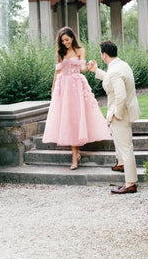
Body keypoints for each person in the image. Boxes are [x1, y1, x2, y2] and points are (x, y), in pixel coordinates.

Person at [42, 27, 111, 170]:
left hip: (76, 87)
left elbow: (83, 68)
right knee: (67, 118)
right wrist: (53, 87)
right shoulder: (60, 52)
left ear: (72, 38)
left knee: (76, 117)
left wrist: (90, 66)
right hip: (63, 87)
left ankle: (75, 155)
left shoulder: (80, 50)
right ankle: (75, 155)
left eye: (67, 39)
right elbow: (57, 71)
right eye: (62, 41)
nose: (65, 43)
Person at [87, 40, 140, 194]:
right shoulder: (121, 65)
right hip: (126, 111)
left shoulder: (115, 71)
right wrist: (96, 70)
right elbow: (111, 79)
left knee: (126, 147)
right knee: (122, 144)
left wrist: (117, 114)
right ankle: (121, 163)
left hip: (121, 114)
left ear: (104, 55)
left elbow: (121, 96)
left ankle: (130, 183)